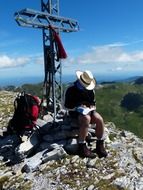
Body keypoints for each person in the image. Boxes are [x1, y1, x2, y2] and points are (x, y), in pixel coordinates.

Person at [64, 70, 108, 158]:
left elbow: (93, 103)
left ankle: (100, 144)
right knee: (86, 119)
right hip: (74, 112)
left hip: (88, 111)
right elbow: (65, 106)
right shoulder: (70, 89)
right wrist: (77, 107)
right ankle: (82, 146)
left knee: (99, 119)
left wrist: (91, 107)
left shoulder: (90, 90)